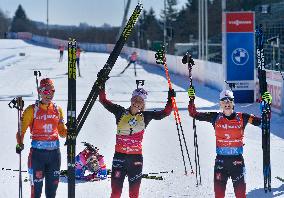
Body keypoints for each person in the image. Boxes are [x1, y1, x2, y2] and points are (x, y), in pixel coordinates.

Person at [96, 68, 175, 198]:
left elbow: (166, 112)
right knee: (115, 193)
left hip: (135, 160)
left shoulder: (146, 116)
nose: (138, 103)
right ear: (131, 99)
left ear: (144, 104)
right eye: (136, 99)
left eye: (141, 101)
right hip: (119, 158)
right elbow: (103, 100)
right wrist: (102, 83)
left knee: (134, 195)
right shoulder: (120, 112)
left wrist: (170, 98)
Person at [187, 87, 272, 198]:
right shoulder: (215, 117)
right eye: (224, 101)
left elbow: (263, 121)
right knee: (219, 196)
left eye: (229, 100)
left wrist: (267, 104)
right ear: (220, 104)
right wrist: (191, 99)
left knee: (241, 195)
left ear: (233, 103)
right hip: (220, 163)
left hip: (238, 163)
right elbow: (193, 114)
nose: (227, 103)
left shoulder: (243, 117)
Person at [16, 78, 67, 198]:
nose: (49, 94)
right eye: (46, 91)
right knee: (36, 192)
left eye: (52, 91)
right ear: (40, 91)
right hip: (37, 156)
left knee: (51, 192)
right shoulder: (31, 110)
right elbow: (21, 131)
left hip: (55, 155)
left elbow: (62, 133)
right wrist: (20, 143)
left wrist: (71, 130)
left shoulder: (57, 110)